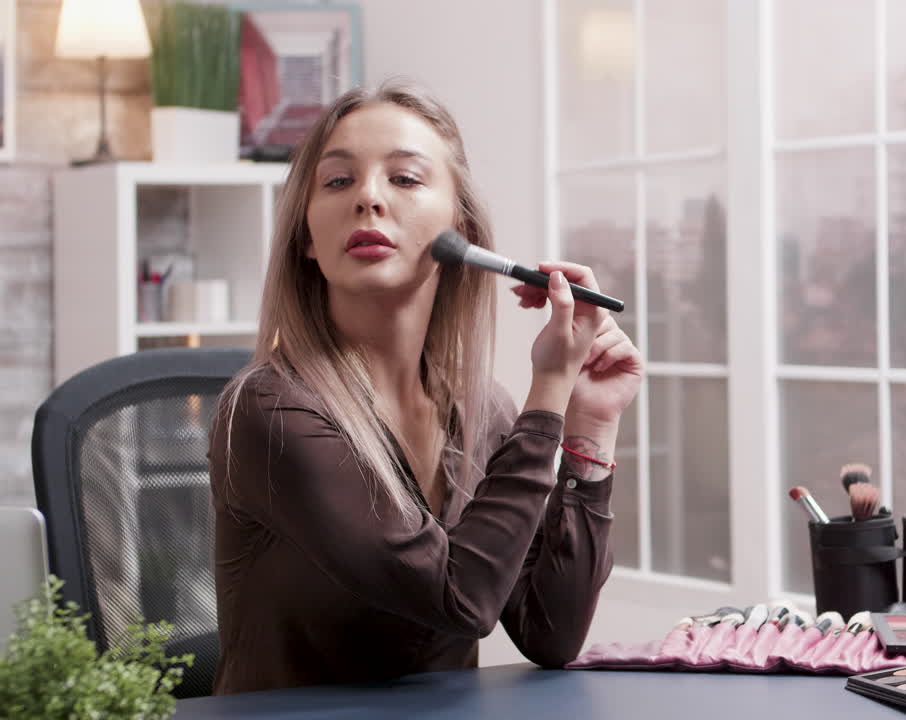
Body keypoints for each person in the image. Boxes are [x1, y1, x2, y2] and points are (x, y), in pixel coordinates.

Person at [207, 79, 642, 695]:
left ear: (461, 227)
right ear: (306, 237)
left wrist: (590, 427)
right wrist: (549, 390)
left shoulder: (481, 410)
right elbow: (460, 598)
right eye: (338, 181)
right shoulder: (270, 410)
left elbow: (551, 631)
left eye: (405, 178)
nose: (368, 198)